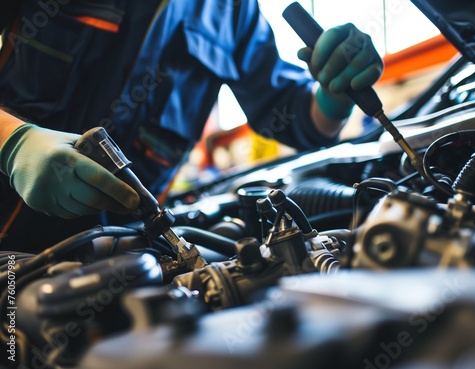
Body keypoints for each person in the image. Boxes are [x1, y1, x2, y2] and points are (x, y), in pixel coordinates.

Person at [0, 0, 383, 252]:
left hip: (109, 254)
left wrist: (336, 92)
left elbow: (300, 121)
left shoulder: (232, 12)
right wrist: (11, 142)